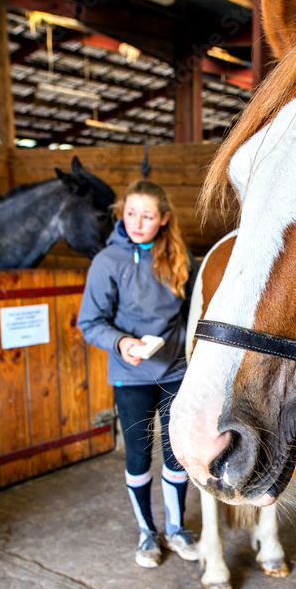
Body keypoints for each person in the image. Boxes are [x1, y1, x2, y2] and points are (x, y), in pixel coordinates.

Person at [78, 179, 199, 568]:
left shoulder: (182, 258)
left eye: (147, 216)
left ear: (163, 219)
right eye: (131, 214)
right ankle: (148, 532)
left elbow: (195, 312)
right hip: (130, 374)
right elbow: (90, 322)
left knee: (177, 455)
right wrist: (122, 343)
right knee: (138, 456)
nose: (137, 222)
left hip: (176, 370)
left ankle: (176, 529)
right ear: (122, 214)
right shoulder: (107, 262)